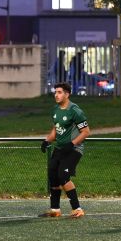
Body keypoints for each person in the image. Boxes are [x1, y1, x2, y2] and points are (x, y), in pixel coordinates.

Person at [39, 82, 90, 218]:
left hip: (74, 149)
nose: (56, 95)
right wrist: (47, 140)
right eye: (55, 92)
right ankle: (55, 210)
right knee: (52, 175)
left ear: (67, 94)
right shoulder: (55, 110)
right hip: (59, 149)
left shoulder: (75, 111)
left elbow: (86, 132)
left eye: (59, 92)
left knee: (63, 176)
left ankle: (77, 209)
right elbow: (56, 129)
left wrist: (72, 144)